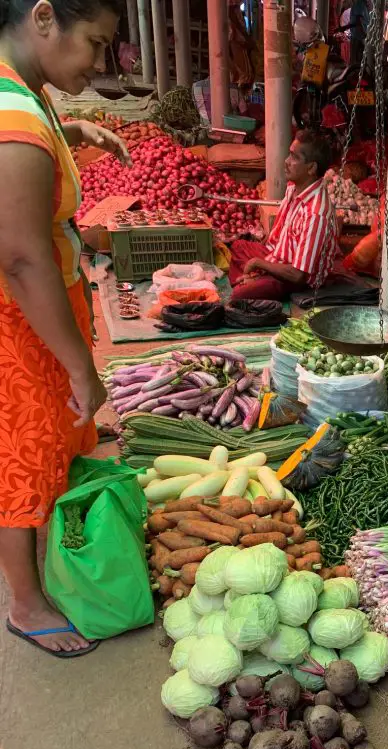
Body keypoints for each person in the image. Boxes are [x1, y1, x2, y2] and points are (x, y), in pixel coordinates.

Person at [0, 0, 130, 656]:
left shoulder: (21, 91)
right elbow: (21, 258)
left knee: (48, 437)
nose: (99, 63)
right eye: (95, 44)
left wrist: (72, 132)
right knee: (17, 457)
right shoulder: (13, 113)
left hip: (34, 310)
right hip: (17, 321)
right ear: (43, 18)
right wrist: (80, 363)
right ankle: (25, 601)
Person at [230, 130, 338, 302]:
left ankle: (248, 284)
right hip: (279, 258)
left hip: (296, 280)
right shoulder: (293, 188)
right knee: (238, 246)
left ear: (312, 168)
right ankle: (249, 281)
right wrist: (264, 263)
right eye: (289, 154)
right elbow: (276, 240)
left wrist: (260, 264)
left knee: (239, 295)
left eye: (294, 157)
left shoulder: (316, 213)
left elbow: (298, 275)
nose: (286, 161)